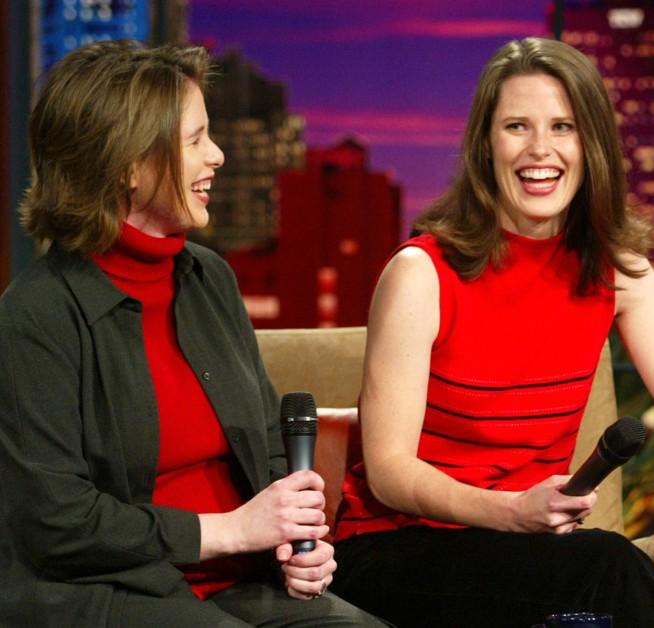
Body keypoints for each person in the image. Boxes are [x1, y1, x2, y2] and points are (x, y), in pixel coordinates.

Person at [328, 37, 654, 627]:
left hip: (524, 551)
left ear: (591, 145)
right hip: (396, 551)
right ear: (485, 146)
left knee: (589, 578)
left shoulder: (618, 272)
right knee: (606, 569)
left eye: (563, 127)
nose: (541, 149)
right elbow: (388, 470)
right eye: (517, 126)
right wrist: (510, 510)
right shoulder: (422, 274)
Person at [0, 41, 386, 628]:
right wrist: (228, 530)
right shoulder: (37, 315)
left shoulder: (209, 279)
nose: (218, 155)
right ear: (129, 163)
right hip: (112, 591)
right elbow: (57, 523)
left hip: (239, 579)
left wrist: (290, 539)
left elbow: (264, 438)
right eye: (195, 139)